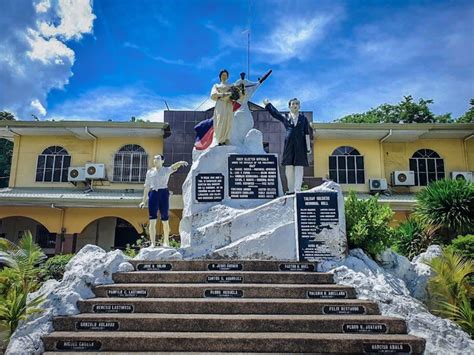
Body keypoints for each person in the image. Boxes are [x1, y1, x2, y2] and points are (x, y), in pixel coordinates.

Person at [263, 98, 311, 194]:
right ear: (289, 106)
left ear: (299, 106)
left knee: (299, 167)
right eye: (293, 104)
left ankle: (298, 189)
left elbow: (306, 133)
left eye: (297, 104)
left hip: (300, 146)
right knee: (288, 167)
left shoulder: (303, 118)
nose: (295, 105)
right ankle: (291, 189)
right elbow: (275, 113)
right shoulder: (285, 117)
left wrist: (308, 147)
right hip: (289, 145)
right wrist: (268, 105)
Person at [139, 155, 188, 247]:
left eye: (157, 158)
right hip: (153, 194)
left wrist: (180, 163)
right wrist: (143, 201)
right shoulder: (150, 172)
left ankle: (166, 241)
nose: (155, 160)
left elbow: (173, 167)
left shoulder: (166, 170)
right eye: (154, 158)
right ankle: (152, 243)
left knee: (165, 219)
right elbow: (147, 186)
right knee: (152, 220)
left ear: (162, 161)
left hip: (163, 194)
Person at [210, 69, 234, 146]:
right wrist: (223, 94)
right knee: (220, 120)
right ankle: (219, 139)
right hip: (220, 104)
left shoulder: (231, 86)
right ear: (220, 76)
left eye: (225, 75)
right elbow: (213, 95)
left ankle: (225, 139)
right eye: (223, 75)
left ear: (227, 77)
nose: (224, 76)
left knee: (228, 120)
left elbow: (236, 96)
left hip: (228, 104)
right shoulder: (216, 86)